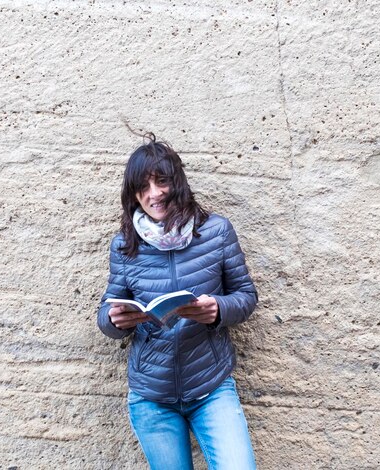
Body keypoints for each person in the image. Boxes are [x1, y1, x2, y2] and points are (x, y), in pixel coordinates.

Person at [96, 133, 258, 470]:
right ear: (133, 195)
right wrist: (114, 321)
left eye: (161, 182)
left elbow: (246, 296)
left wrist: (218, 310)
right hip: (152, 398)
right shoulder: (125, 246)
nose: (154, 194)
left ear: (177, 183)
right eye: (143, 186)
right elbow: (105, 314)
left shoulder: (217, 231)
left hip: (211, 388)